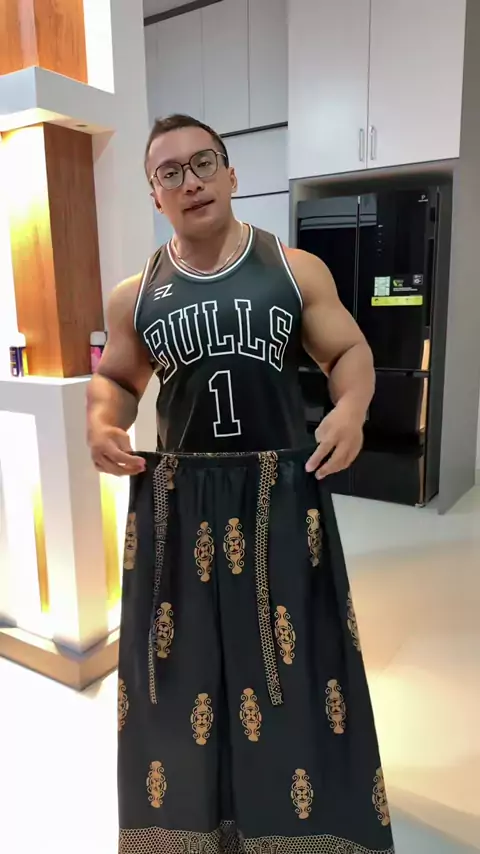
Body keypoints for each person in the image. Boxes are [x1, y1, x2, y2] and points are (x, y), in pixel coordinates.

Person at [87, 114, 394, 854]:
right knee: (180, 676)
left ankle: (302, 830)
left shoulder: (294, 270)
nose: (190, 182)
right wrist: (102, 423)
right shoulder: (136, 295)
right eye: (169, 172)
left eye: (203, 164)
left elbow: (348, 351)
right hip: (183, 503)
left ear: (230, 174)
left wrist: (351, 408)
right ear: (155, 195)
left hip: (279, 496)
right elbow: (118, 381)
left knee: (297, 670)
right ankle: (194, 831)